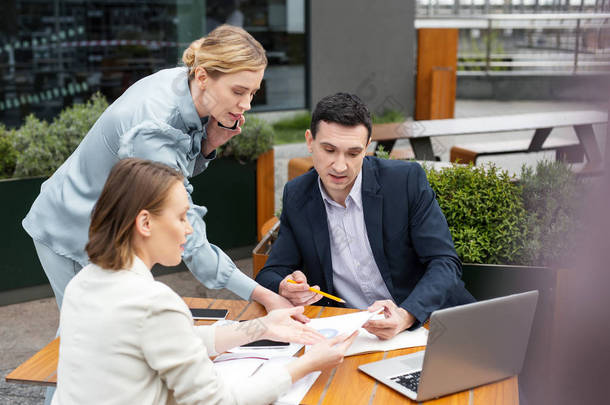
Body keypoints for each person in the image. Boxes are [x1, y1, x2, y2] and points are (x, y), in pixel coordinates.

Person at [23, 25, 289, 314]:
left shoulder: (186, 85)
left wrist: (209, 143)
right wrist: (261, 293)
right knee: (89, 334)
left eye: (252, 92)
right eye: (238, 91)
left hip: (104, 225)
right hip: (73, 226)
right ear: (203, 77)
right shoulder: (156, 127)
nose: (246, 104)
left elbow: (172, 172)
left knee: (100, 336)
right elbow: (189, 232)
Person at [52, 158, 356, 405]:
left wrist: (260, 327)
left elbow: (175, 342)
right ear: (145, 223)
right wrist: (306, 364)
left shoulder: (83, 283)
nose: (188, 230)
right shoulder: (153, 303)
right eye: (182, 217)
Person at [255, 93, 475, 340]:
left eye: (352, 153)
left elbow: (444, 262)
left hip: (428, 323)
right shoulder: (298, 195)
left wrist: (407, 315)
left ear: (368, 147)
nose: (339, 166)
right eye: (329, 150)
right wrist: (285, 286)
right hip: (354, 333)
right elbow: (270, 273)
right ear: (310, 141)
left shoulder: (405, 181)